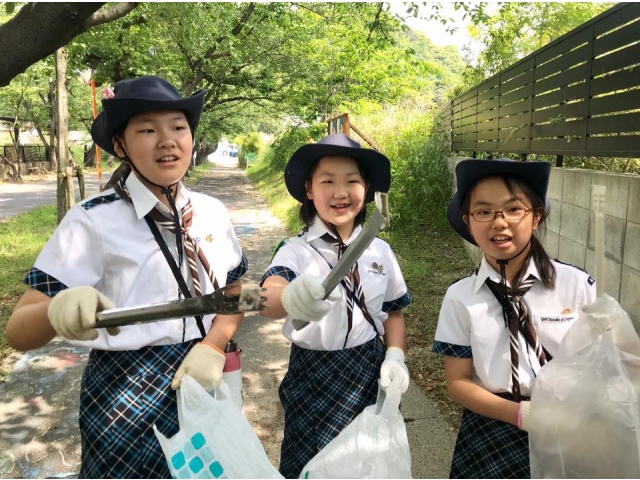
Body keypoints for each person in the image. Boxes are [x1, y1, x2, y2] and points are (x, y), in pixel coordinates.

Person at [5, 75, 248, 478]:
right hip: (124, 393)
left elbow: (235, 291)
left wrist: (215, 343)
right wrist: (57, 310)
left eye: (178, 126)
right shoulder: (92, 221)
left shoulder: (212, 213)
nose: (167, 140)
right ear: (120, 145)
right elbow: (17, 332)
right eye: (148, 130)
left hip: (207, 375)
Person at [259, 133, 413, 478]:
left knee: (367, 465)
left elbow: (394, 311)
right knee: (310, 467)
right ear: (310, 190)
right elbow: (268, 296)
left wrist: (396, 356)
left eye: (351, 181)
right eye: (327, 181)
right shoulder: (295, 249)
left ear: (367, 189)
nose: (340, 193)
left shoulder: (380, 251)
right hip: (312, 377)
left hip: (368, 372)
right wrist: (287, 298)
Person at [432, 158, 596, 478]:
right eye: (483, 211)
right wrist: (522, 414)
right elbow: (459, 382)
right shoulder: (460, 297)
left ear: (536, 217)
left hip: (567, 425)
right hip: (490, 431)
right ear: (468, 221)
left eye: (513, 209)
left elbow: (605, 366)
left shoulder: (577, 286)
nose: (499, 222)